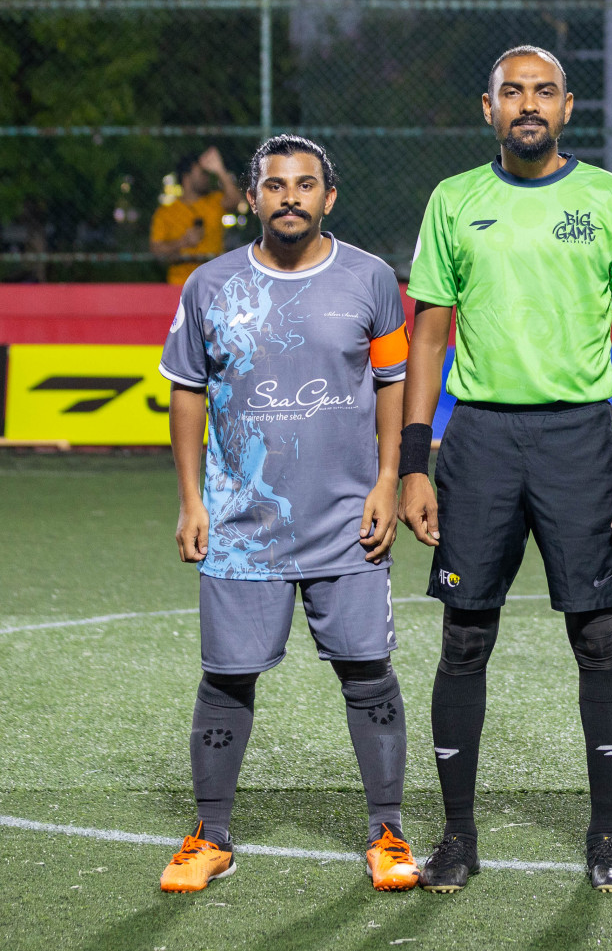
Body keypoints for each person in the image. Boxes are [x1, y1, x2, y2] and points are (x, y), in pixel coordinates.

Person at [398, 45, 612, 894]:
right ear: (488, 108)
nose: (528, 104)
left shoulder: (610, 199)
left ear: (568, 106)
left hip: (578, 442)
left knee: (597, 636)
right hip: (477, 443)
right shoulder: (454, 201)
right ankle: (458, 837)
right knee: (465, 634)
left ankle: (606, 836)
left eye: (543, 91)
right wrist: (413, 461)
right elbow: (429, 338)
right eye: (512, 91)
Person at [156, 135, 416, 893]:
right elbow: (186, 391)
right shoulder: (209, 284)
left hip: (346, 519)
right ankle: (211, 834)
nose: (290, 197)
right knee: (227, 677)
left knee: (368, 673)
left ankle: (389, 832)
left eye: (306, 185)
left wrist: (389, 479)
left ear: (328, 198)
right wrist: (191, 500)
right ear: (253, 198)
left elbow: (394, 378)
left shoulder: (371, 279)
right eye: (275, 185)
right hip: (242, 523)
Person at [151, 147, 242, 286]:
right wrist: (183, 242)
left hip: (214, 283)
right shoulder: (165, 212)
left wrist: (220, 169)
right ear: (186, 178)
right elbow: (156, 250)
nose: (206, 177)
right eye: (202, 173)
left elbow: (235, 201)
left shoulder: (215, 201)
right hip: (180, 284)